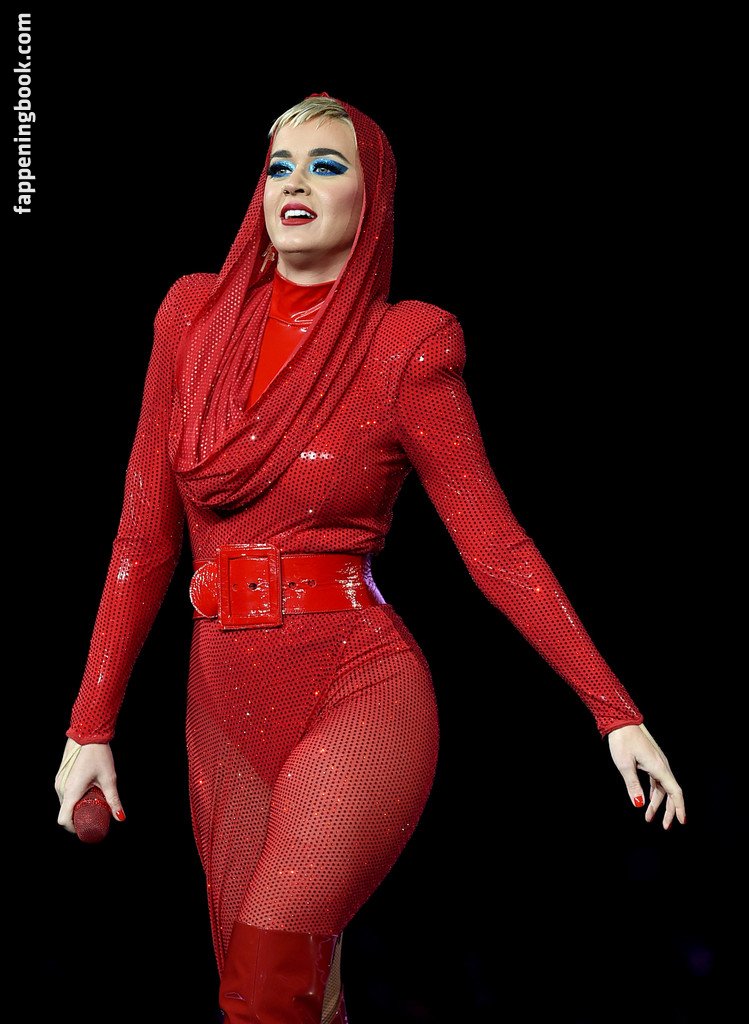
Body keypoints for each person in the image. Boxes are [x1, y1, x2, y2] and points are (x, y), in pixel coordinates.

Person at [54, 93, 686, 1023]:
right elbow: (142, 538)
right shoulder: (190, 319)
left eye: (326, 165)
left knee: (269, 977)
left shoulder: (404, 346)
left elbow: (494, 543)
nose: (295, 184)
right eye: (279, 166)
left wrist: (613, 711)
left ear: (372, 198)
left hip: (358, 688)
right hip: (221, 706)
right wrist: (90, 724)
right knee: (281, 1000)